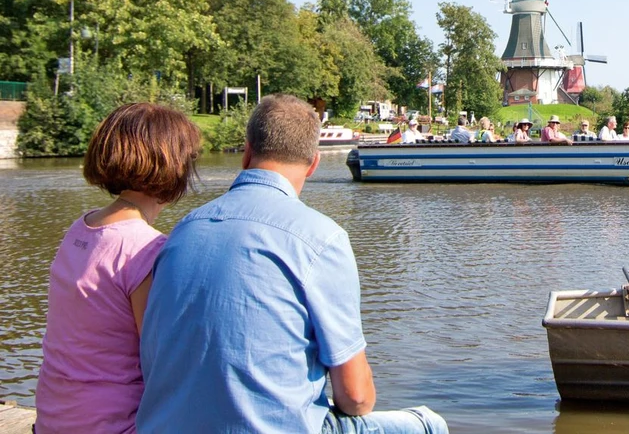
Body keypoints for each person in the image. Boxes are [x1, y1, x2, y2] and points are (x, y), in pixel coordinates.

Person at [136, 94, 448, 434]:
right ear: (313, 164)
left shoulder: (182, 231)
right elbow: (356, 398)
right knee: (427, 423)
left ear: (246, 153)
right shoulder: (321, 238)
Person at [35, 102, 201, 434]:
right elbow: (161, 362)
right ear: (174, 166)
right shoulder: (146, 249)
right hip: (111, 425)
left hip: (53, 418)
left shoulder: (79, 228)